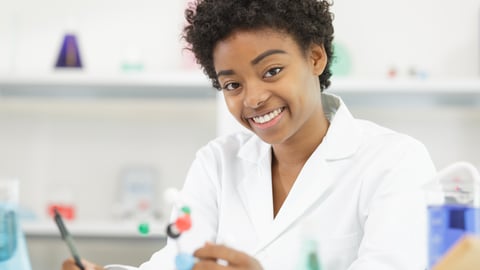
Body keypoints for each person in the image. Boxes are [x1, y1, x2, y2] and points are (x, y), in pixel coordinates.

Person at [62, 0, 436, 269]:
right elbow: (179, 262)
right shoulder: (216, 162)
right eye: (232, 85)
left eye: (272, 71)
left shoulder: (395, 162)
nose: (254, 98)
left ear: (316, 58)